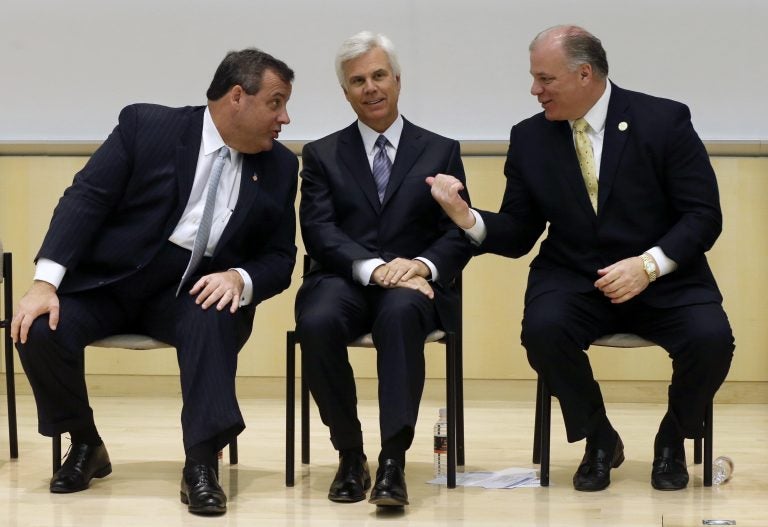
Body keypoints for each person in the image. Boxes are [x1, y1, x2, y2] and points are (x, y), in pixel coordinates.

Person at [428, 25, 734, 492]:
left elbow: (703, 215)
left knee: (712, 339)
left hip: (664, 276)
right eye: (535, 79)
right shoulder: (530, 138)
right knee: (543, 331)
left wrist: (648, 265)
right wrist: (467, 217)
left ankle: (673, 437)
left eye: (545, 79)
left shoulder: (663, 121)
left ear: (584, 74)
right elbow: (518, 233)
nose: (535, 90)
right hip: (574, 276)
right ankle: (598, 437)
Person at [11, 48, 298, 515]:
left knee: (214, 312)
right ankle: (85, 443)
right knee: (37, 328)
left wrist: (238, 277)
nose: (284, 118)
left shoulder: (281, 167)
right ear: (237, 97)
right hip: (112, 285)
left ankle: (201, 464)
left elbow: (281, 257)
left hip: (187, 294)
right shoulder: (149, 128)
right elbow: (86, 199)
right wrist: (45, 282)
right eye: (276, 102)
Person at [295, 31, 472, 507]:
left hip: (415, 285)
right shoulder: (321, 154)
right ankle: (350, 454)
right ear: (345, 91)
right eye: (357, 80)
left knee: (399, 316)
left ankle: (393, 459)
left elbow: (458, 231)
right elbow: (319, 229)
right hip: (343, 278)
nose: (370, 88)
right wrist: (373, 268)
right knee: (317, 321)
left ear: (397, 80)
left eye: (378, 76)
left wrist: (419, 265)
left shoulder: (440, 150)